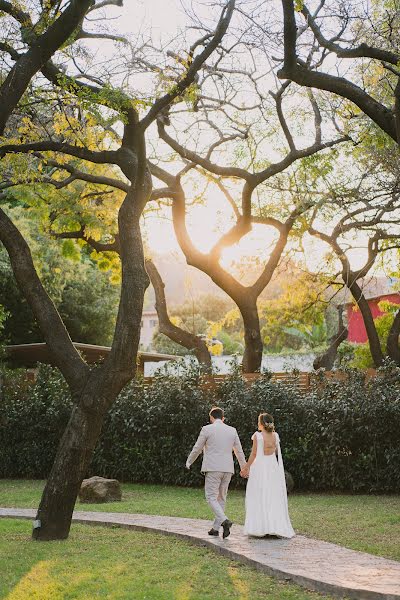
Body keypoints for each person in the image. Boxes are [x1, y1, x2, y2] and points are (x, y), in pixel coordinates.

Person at [186, 406, 247, 539]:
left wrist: (189, 461)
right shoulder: (232, 430)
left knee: (211, 497)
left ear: (211, 417)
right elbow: (239, 450)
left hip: (213, 468)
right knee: (221, 498)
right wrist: (244, 467)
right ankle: (215, 528)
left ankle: (225, 520)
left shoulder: (207, 429)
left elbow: (197, 448)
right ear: (223, 418)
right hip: (228, 469)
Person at [242, 412, 295, 538]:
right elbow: (275, 451)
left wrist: (246, 467)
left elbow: (254, 454)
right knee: (272, 496)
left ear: (261, 423)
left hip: (260, 468)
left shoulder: (257, 436)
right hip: (272, 469)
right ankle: (274, 526)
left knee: (259, 495)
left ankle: (261, 527)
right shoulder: (275, 436)